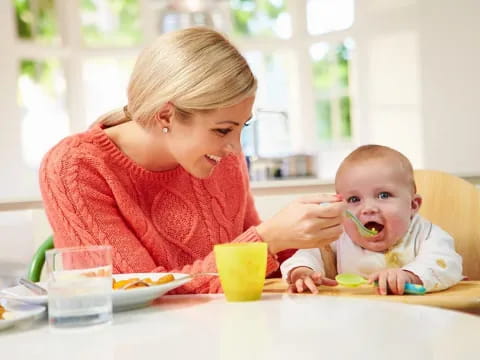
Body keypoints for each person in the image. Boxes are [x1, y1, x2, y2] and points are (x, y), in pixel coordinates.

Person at [39, 27, 345, 294]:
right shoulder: (74, 168)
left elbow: (257, 271)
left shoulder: (219, 158)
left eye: (242, 127)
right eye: (223, 129)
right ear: (166, 115)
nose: (235, 149)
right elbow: (135, 292)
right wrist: (267, 240)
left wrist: (305, 251)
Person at [281, 145, 463, 295]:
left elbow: (446, 264)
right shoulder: (338, 235)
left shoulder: (426, 234)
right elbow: (306, 255)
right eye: (354, 200)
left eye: (383, 195)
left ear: (413, 205)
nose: (368, 208)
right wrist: (302, 272)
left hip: (417, 319)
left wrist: (410, 275)